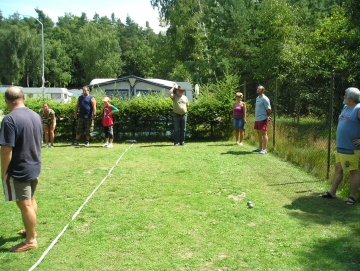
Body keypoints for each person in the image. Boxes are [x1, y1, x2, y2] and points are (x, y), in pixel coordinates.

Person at [0, 86, 42, 252]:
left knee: (24, 204)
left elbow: (6, 151)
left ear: (8, 101)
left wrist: (3, 172)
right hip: (34, 164)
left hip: (19, 168)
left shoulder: (9, 120)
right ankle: (31, 231)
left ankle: (31, 240)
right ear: (23, 98)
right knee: (30, 199)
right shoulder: (36, 116)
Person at [320, 87, 360, 205]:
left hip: (352, 148)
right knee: (338, 168)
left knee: (353, 171)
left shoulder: (358, 109)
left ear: (351, 98)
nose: (344, 96)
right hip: (341, 146)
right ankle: (332, 193)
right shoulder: (345, 108)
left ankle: (352, 197)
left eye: (345, 95)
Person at [253, 85, 271, 154]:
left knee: (264, 133)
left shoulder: (265, 98)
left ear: (263, 90)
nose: (258, 90)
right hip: (257, 119)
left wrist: (267, 116)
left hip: (263, 119)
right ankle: (260, 148)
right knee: (259, 133)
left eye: (259, 89)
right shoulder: (257, 98)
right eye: (257, 89)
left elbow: (269, 109)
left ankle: (264, 149)